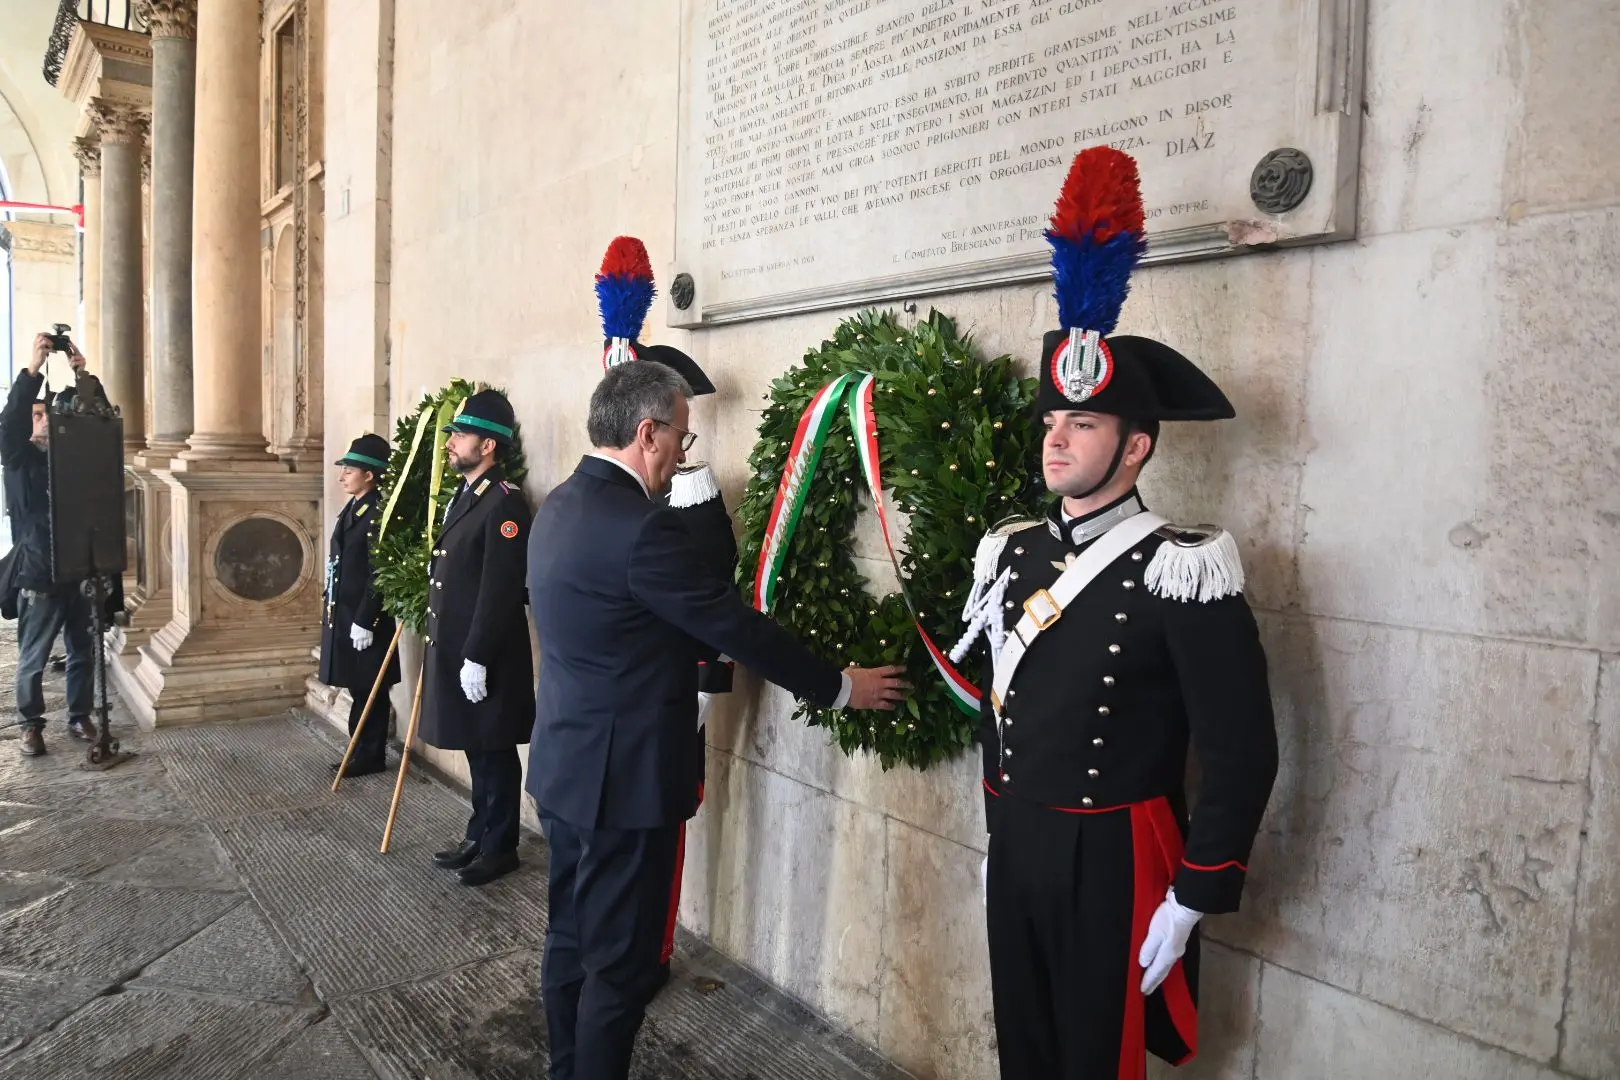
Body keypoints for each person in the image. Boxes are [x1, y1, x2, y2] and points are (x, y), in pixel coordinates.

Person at [950, 147, 1279, 1079]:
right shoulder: (1013, 550)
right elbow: (998, 706)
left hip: (1121, 853)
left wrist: (1193, 893)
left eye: (1082, 425)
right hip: (1021, 837)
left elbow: (1243, 744)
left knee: (1101, 1058)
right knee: (1027, 1045)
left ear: (1134, 447)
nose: (1055, 437)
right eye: (1052, 419)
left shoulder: (1183, 569)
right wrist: (998, 829)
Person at [527, 358, 910, 1080]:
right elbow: (738, 630)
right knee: (621, 966)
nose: (683, 454)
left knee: (570, 938)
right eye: (682, 437)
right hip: (625, 786)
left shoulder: (561, 507)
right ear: (648, 432)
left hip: (565, 770)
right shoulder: (642, 530)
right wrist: (837, 686)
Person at [419, 388, 534, 887]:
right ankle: (479, 833)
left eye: (460, 435)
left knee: (494, 749)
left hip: (486, 654)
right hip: (460, 649)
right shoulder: (467, 498)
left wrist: (477, 655)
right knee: (476, 747)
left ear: (488, 446)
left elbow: (500, 587)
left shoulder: (506, 504)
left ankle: (500, 845)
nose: (451, 444)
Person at [3, 333, 99, 757]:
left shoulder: (74, 456)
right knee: (33, 657)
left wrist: (83, 373)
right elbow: (9, 422)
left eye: (48, 415)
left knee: (83, 651)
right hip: (39, 573)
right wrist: (32, 370)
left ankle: (79, 716)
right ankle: (30, 725)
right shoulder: (19, 459)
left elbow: (101, 421)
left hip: (80, 568)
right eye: (37, 416)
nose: (43, 421)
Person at [320, 432, 401, 777]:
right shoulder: (355, 508)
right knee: (358, 685)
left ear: (370, 474)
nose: (342, 477)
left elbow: (381, 572)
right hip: (346, 613)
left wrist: (367, 618)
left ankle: (368, 754)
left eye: (349, 471)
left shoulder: (378, 513)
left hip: (366, 619)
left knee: (370, 688)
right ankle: (360, 749)